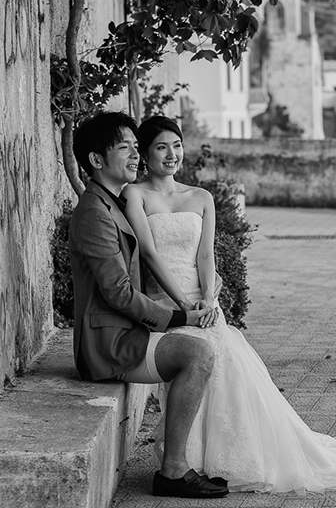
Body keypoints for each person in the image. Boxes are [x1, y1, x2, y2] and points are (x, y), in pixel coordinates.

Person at [121, 115, 336, 494]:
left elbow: (206, 256)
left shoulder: (200, 197)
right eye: (161, 147)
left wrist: (209, 298)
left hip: (205, 303)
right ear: (145, 152)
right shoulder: (136, 195)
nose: (172, 154)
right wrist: (184, 305)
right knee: (205, 359)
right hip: (168, 302)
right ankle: (186, 462)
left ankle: (219, 460)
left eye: (177, 146)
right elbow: (151, 255)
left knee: (229, 364)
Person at [68, 111, 229, 499]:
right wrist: (179, 316)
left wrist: (208, 288)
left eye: (136, 148)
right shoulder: (95, 212)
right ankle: (172, 470)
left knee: (208, 349)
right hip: (110, 343)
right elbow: (118, 293)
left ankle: (193, 459)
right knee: (198, 354)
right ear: (96, 160)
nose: (136, 156)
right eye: (125, 148)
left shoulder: (111, 203)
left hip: (125, 331)